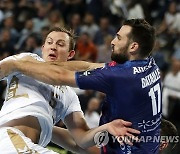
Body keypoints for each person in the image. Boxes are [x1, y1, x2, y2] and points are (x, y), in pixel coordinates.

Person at [0, 19, 159, 153]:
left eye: (60, 44)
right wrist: (14, 63)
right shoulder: (26, 59)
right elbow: (84, 67)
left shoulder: (69, 95)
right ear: (42, 48)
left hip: (30, 146)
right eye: (49, 42)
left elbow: (82, 140)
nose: (53, 46)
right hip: (9, 138)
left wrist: (107, 127)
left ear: (70, 55)